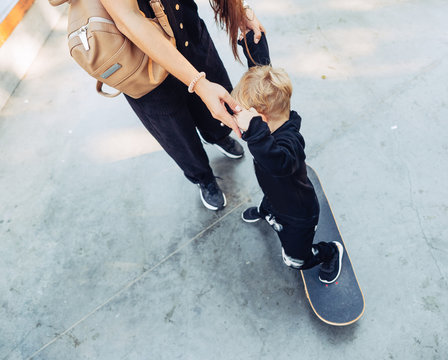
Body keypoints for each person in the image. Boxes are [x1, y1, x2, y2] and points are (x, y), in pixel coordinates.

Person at [99, 0, 266, 210]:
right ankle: (203, 178)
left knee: (216, 106)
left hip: (187, 29)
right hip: (142, 64)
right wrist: (198, 83)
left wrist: (239, 10)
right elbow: (128, 19)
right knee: (176, 132)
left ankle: (218, 136)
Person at [232, 66, 343, 283]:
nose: (238, 121)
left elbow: (278, 163)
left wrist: (253, 131)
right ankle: (267, 212)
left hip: (297, 213)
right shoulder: (269, 128)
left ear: (260, 119)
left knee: (295, 261)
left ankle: (329, 252)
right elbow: (263, 77)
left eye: (241, 116)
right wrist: (255, 45)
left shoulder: (290, 142)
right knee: (270, 201)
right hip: (275, 196)